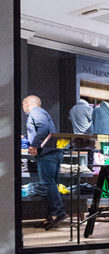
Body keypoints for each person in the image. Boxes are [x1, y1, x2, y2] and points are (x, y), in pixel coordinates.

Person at [23, 95, 66, 230]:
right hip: (53, 152)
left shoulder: (36, 112)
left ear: (28, 103)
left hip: (47, 154)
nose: (23, 108)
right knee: (50, 185)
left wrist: (34, 145)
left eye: (23, 104)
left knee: (48, 184)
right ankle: (50, 217)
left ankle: (59, 213)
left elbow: (43, 129)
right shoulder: (41, 113)